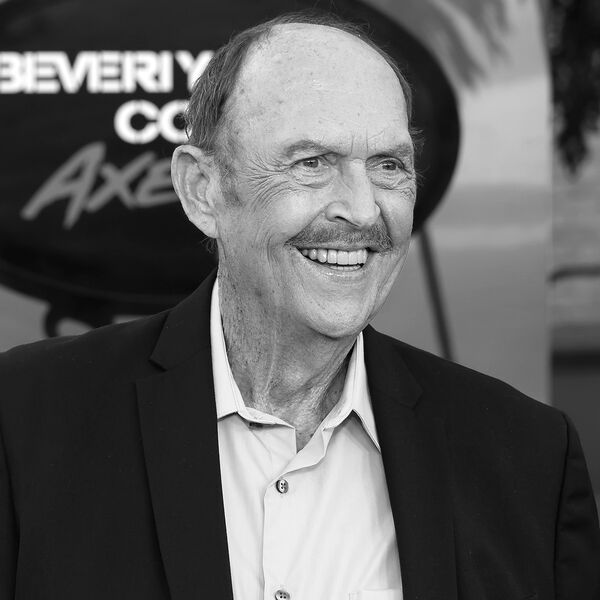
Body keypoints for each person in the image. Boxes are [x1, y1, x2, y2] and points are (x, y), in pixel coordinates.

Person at [1, 12, 599, 600]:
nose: (362, 211)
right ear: (203, 190)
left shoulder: (529, 461)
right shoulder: (26, 422)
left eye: (389, 166)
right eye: (312, 163)